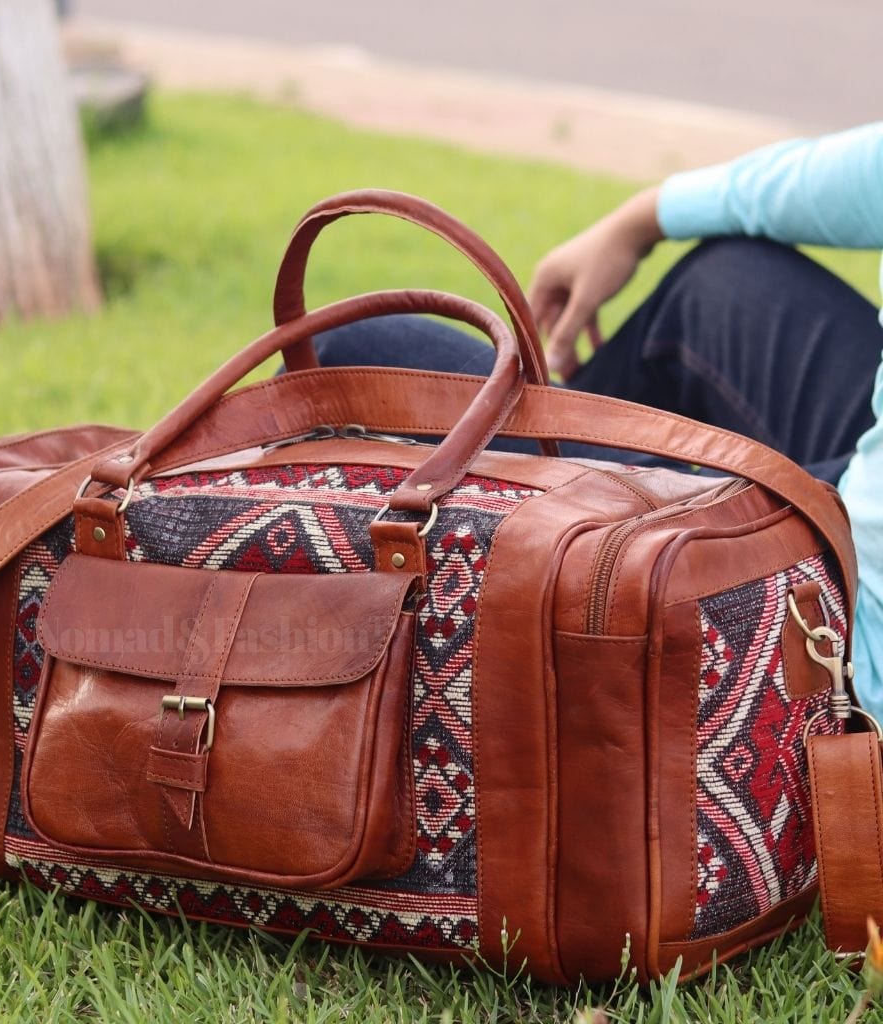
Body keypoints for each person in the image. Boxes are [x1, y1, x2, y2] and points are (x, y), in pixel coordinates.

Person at [311, 122, 883, 717]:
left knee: (353, 355)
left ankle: (583, 515)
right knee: (723, 285)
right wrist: (636, 222)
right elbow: (862, 172)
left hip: (857, 640)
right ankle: (582, 469)